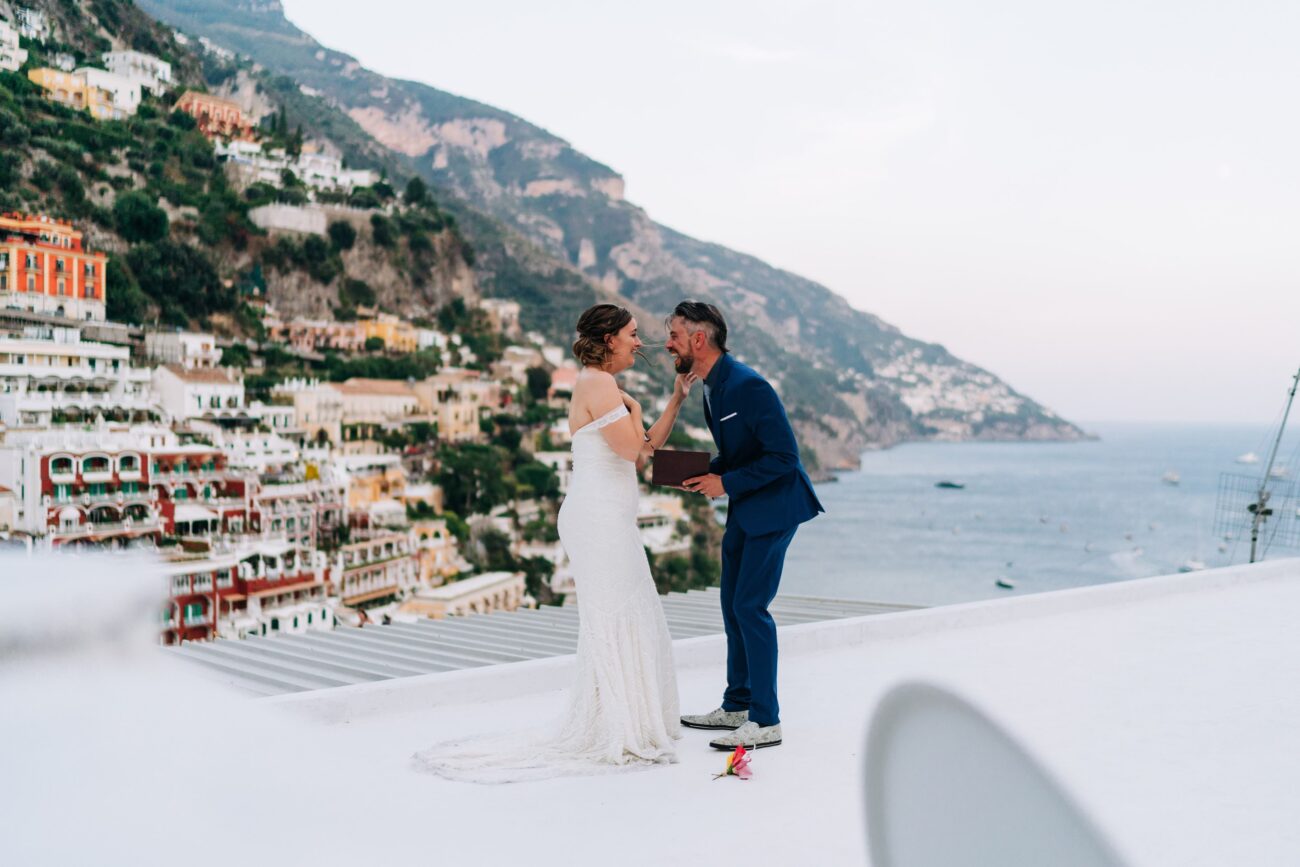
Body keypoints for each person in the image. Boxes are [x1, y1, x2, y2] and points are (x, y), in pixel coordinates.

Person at [413, 303, 696, 782]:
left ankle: (625, 719)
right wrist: (640, 409)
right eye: (631, 334)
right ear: (608, 340)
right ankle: (620, 726)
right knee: (614, 615)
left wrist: (675, 401)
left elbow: (646, 447)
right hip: (597, 519)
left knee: (629, 610)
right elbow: (632, 452)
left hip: (609, 519)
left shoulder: (604, 386)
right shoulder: (598, 383)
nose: (639, 342)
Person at [666, 300, 824, 751]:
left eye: (674, 334)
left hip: (774, 509)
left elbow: (784, 458)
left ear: (698, 339)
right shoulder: (711, 387)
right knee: (731, 604)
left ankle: (766, 719)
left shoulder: (749, 386)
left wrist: (726, 481)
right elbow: (741, 454)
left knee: (751, 607)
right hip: (746, 506)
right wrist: (701, 472)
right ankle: (736, 704)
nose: (667, 342)